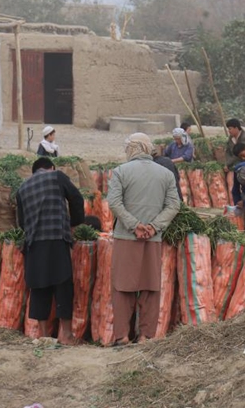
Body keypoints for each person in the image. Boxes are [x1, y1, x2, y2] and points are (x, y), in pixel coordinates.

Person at [108, 133, 180, 345]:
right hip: (153, 239)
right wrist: (153, 227)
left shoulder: (121, 171)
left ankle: (122, 336)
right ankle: (146, 337)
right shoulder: (165, 174)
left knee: (122, 288)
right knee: (150, 287)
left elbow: (114, 203)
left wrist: (133, 225)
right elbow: (174, 205)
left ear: (132, 148)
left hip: (126, 237)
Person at [16, 157, 85, 344]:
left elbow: (21, 222)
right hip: (56, 238)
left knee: (39, 287)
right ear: (51, 167)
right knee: (63, 285)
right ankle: (67, 335)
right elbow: (77, 198)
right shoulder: (56, 176)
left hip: (34, 243)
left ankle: (44, 335)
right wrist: (74, 223)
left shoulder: (22, 188)